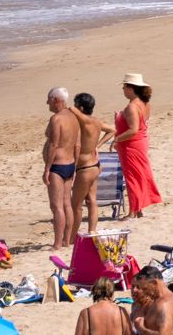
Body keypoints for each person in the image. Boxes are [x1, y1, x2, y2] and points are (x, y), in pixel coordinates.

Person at [113, 75, 161, 218]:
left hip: (131, 145)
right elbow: (140, 125)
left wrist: (117, 139)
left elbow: (133, 129)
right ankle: (138, 209)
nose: (123, 90)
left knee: (132, 177)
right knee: (138, 176)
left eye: (124, 87)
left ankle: (132, 212)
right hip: (141, 142)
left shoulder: (132, 106)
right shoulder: (144, 103)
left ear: (131, 88)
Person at [42, 87, 80, 250]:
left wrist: (47, 168)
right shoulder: (74, 117)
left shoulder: (56, 119)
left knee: (56, 206)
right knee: (66, 204)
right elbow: (77, 144)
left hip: (58, 165)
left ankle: (57, 243)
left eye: (49, 99)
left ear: (56, 100)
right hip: (70, 163)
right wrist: (75, 165)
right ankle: (66, 240)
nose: (47, 103)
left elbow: (53, 144)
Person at [70, 92, 110, 238]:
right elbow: (112, 130)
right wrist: (97, 146)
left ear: (80, 107)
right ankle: (92, 231)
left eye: (76, 105)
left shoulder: (85, 121)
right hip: (95, 165)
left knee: (76, 205)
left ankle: (72, 236)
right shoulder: (96, 121)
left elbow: (72, 110)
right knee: (92, 200)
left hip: (85, 168)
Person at [130, 265, 173, 335]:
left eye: (145, 288)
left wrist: (142, 329)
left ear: (154, 283)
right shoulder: (160, 301)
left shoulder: (165, 304)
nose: (145, 292)